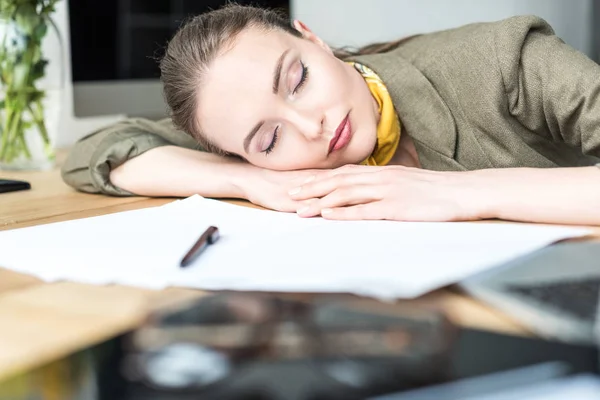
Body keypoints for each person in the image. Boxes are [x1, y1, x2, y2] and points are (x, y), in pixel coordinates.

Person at [62, 4, 600, 225]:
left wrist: (467, 192)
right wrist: (245, 179)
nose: (309, 126)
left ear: (315, 41)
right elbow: (101, 150)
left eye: (298, 80)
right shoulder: (247, 142)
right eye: (269, 141)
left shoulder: (509, 60)